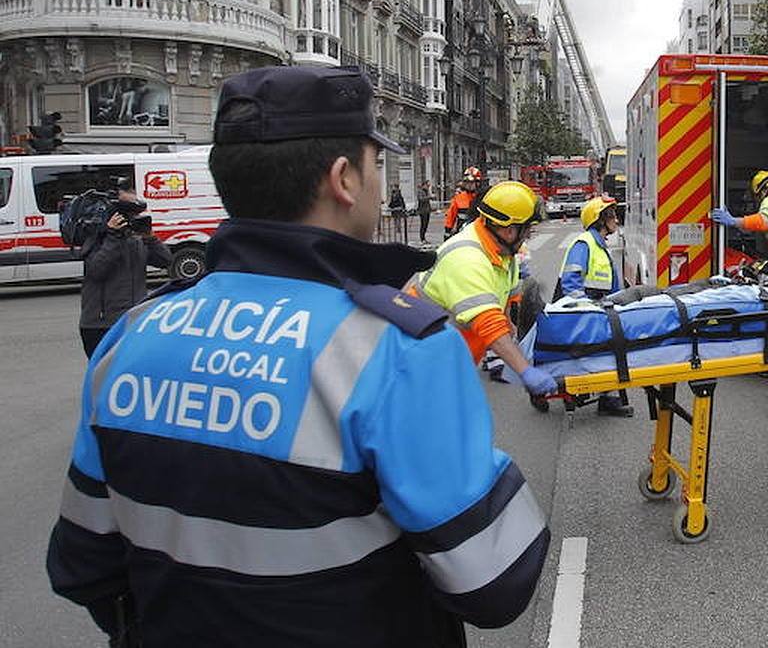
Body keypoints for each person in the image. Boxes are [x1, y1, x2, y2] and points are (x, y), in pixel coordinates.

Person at [47, 66, 549, 648]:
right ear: (344, 179)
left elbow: (83, 564)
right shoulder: (400, 348)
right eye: (376, 162)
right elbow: (492, 583)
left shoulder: (130, 337)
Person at [409, 180, 557, 394]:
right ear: (508, 230)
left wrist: (514, 333)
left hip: (448, 364)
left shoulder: (504, 255)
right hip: (420, 368)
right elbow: (489, 324)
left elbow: (504, 302)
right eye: (527, 229)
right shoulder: (467, 258)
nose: (529, 235)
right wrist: (524, 370)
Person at [554, 195, 632, 418]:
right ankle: (600, 396)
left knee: (610, 351)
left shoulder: (598, 244)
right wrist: (585, 310)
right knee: (603, 352)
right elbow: (571, 281)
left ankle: (607, 398)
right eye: (612, 216)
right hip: (587, 309)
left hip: (601, 308)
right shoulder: (584, 243)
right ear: (600, 219)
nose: (616, 220)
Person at [78, 183, 173, 359]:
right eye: (128, 214)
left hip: (133, 319)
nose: (133, 218)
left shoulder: (136, 238)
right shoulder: (98, 237)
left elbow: (165, 261)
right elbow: (97, 271)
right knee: (104, 377)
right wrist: (113, 236)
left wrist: (150, 238)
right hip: (101, 324)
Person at [443, 167, 484, 239]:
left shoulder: (483, 197)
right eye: (466, 182)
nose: (469, 185)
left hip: (480, 233)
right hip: (462, 232)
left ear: (478, 183)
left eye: (471, 182)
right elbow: (451, 214)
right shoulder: (459, 197)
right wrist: (447, 230)